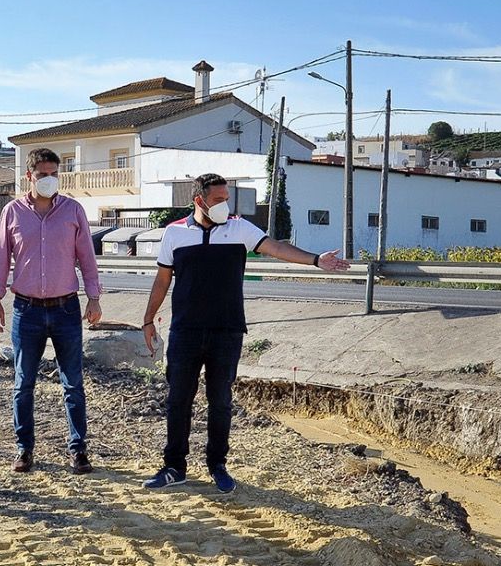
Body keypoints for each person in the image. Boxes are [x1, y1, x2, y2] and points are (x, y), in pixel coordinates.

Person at [141, 173, 349, 493]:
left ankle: (217, 465)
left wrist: (315, 260)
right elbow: (162, 280)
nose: (225, 205)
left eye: (227, 199)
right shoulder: (174, 233)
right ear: (199, 201)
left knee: (220, 401)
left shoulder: (239, 229)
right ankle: (174, 467)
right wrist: (148, 320)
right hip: (185, 331)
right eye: (218, 200)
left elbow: (275, 248)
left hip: (227, 331)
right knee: (178, 400)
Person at [0, 148, 102, 474]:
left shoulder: (73, 210)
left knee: (73, 383)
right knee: (23, 383)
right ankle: (24, 450)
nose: (49, 180)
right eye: (42, 175)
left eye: (54, 174)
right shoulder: (12, 212)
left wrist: (94, 297)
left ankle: (78, 450)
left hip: (66, 308)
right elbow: (0, 257)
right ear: (29, 176)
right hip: (27, 311)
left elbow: (86, 257)